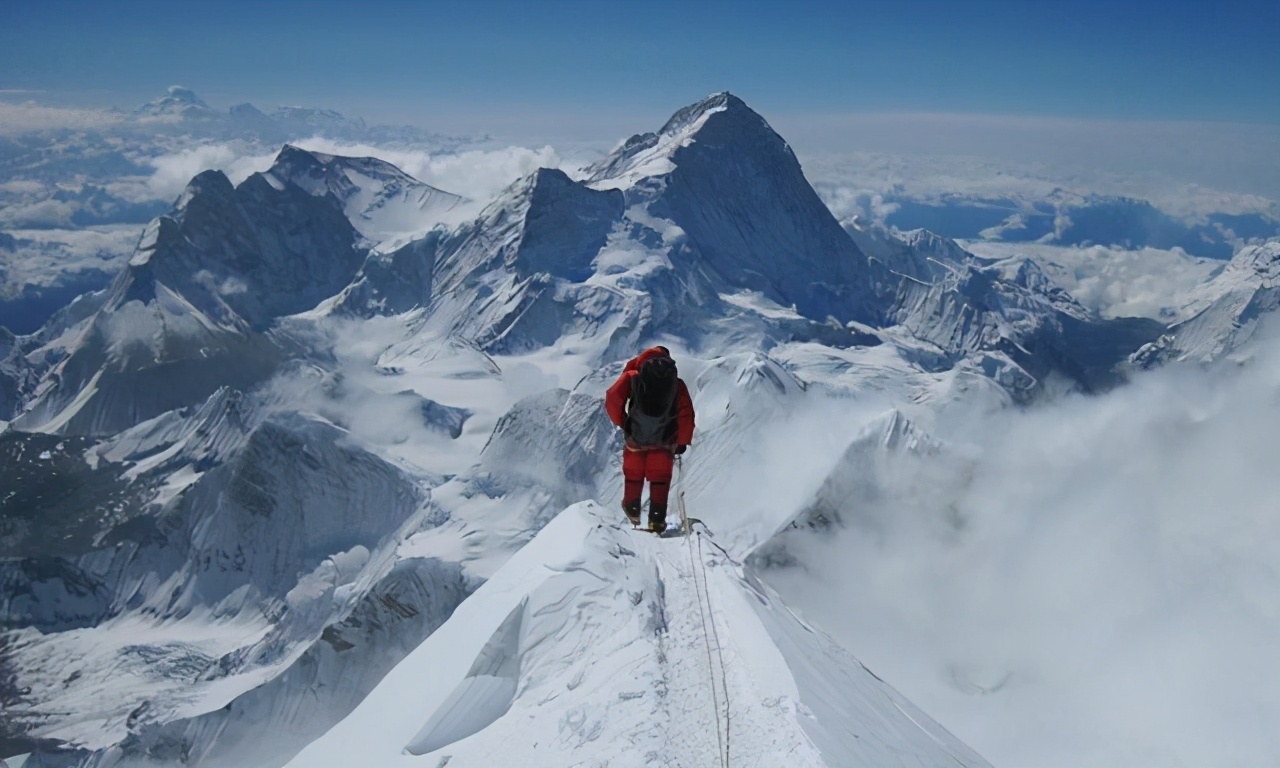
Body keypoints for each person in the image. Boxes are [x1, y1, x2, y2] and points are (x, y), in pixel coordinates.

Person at [604, 346, 695, 532]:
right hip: (665, 441)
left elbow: (612, 397)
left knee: (633, 476)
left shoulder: (632, 377)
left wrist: (623, 421)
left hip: (636, 438)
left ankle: (633, 510)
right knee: (660, 479)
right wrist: (683, 441)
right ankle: (656, 520)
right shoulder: (676, 384)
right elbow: (686, 414)